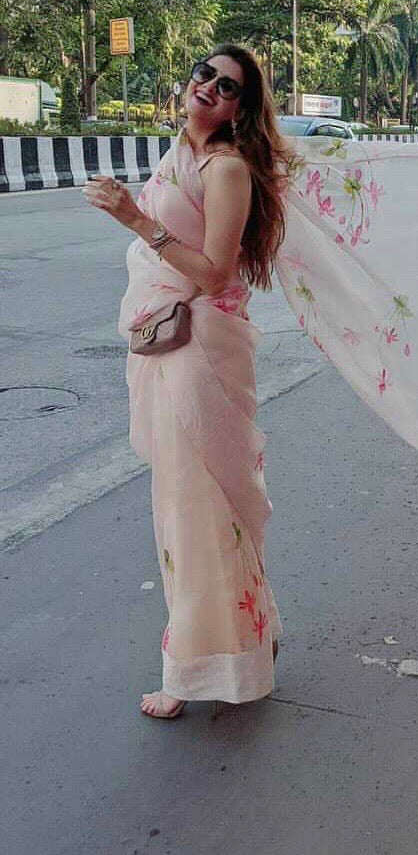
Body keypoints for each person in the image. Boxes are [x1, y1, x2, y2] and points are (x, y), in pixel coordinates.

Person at [83, 44, 295, 720]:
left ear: (241, 108)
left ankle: (196, 673)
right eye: (204, 74)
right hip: (171, 346)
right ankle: (240, 645)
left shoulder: (226, 168)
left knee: (199, 511)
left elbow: (213, 276)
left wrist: (134, 220)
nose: (209, 86)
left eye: (227, 86)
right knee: (193, 510)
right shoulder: (184, 156)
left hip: (200, 355)